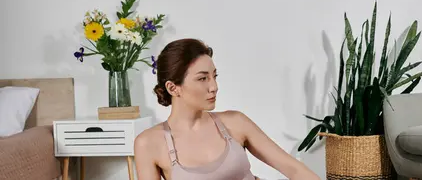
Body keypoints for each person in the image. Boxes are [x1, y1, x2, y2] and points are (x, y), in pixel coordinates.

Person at [134, 38, 320, 180]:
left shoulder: (234, 123)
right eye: (202, 78)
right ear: (173, 88)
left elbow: (294, 169)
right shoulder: (149, 143)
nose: (214, 86)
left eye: (214, 76)